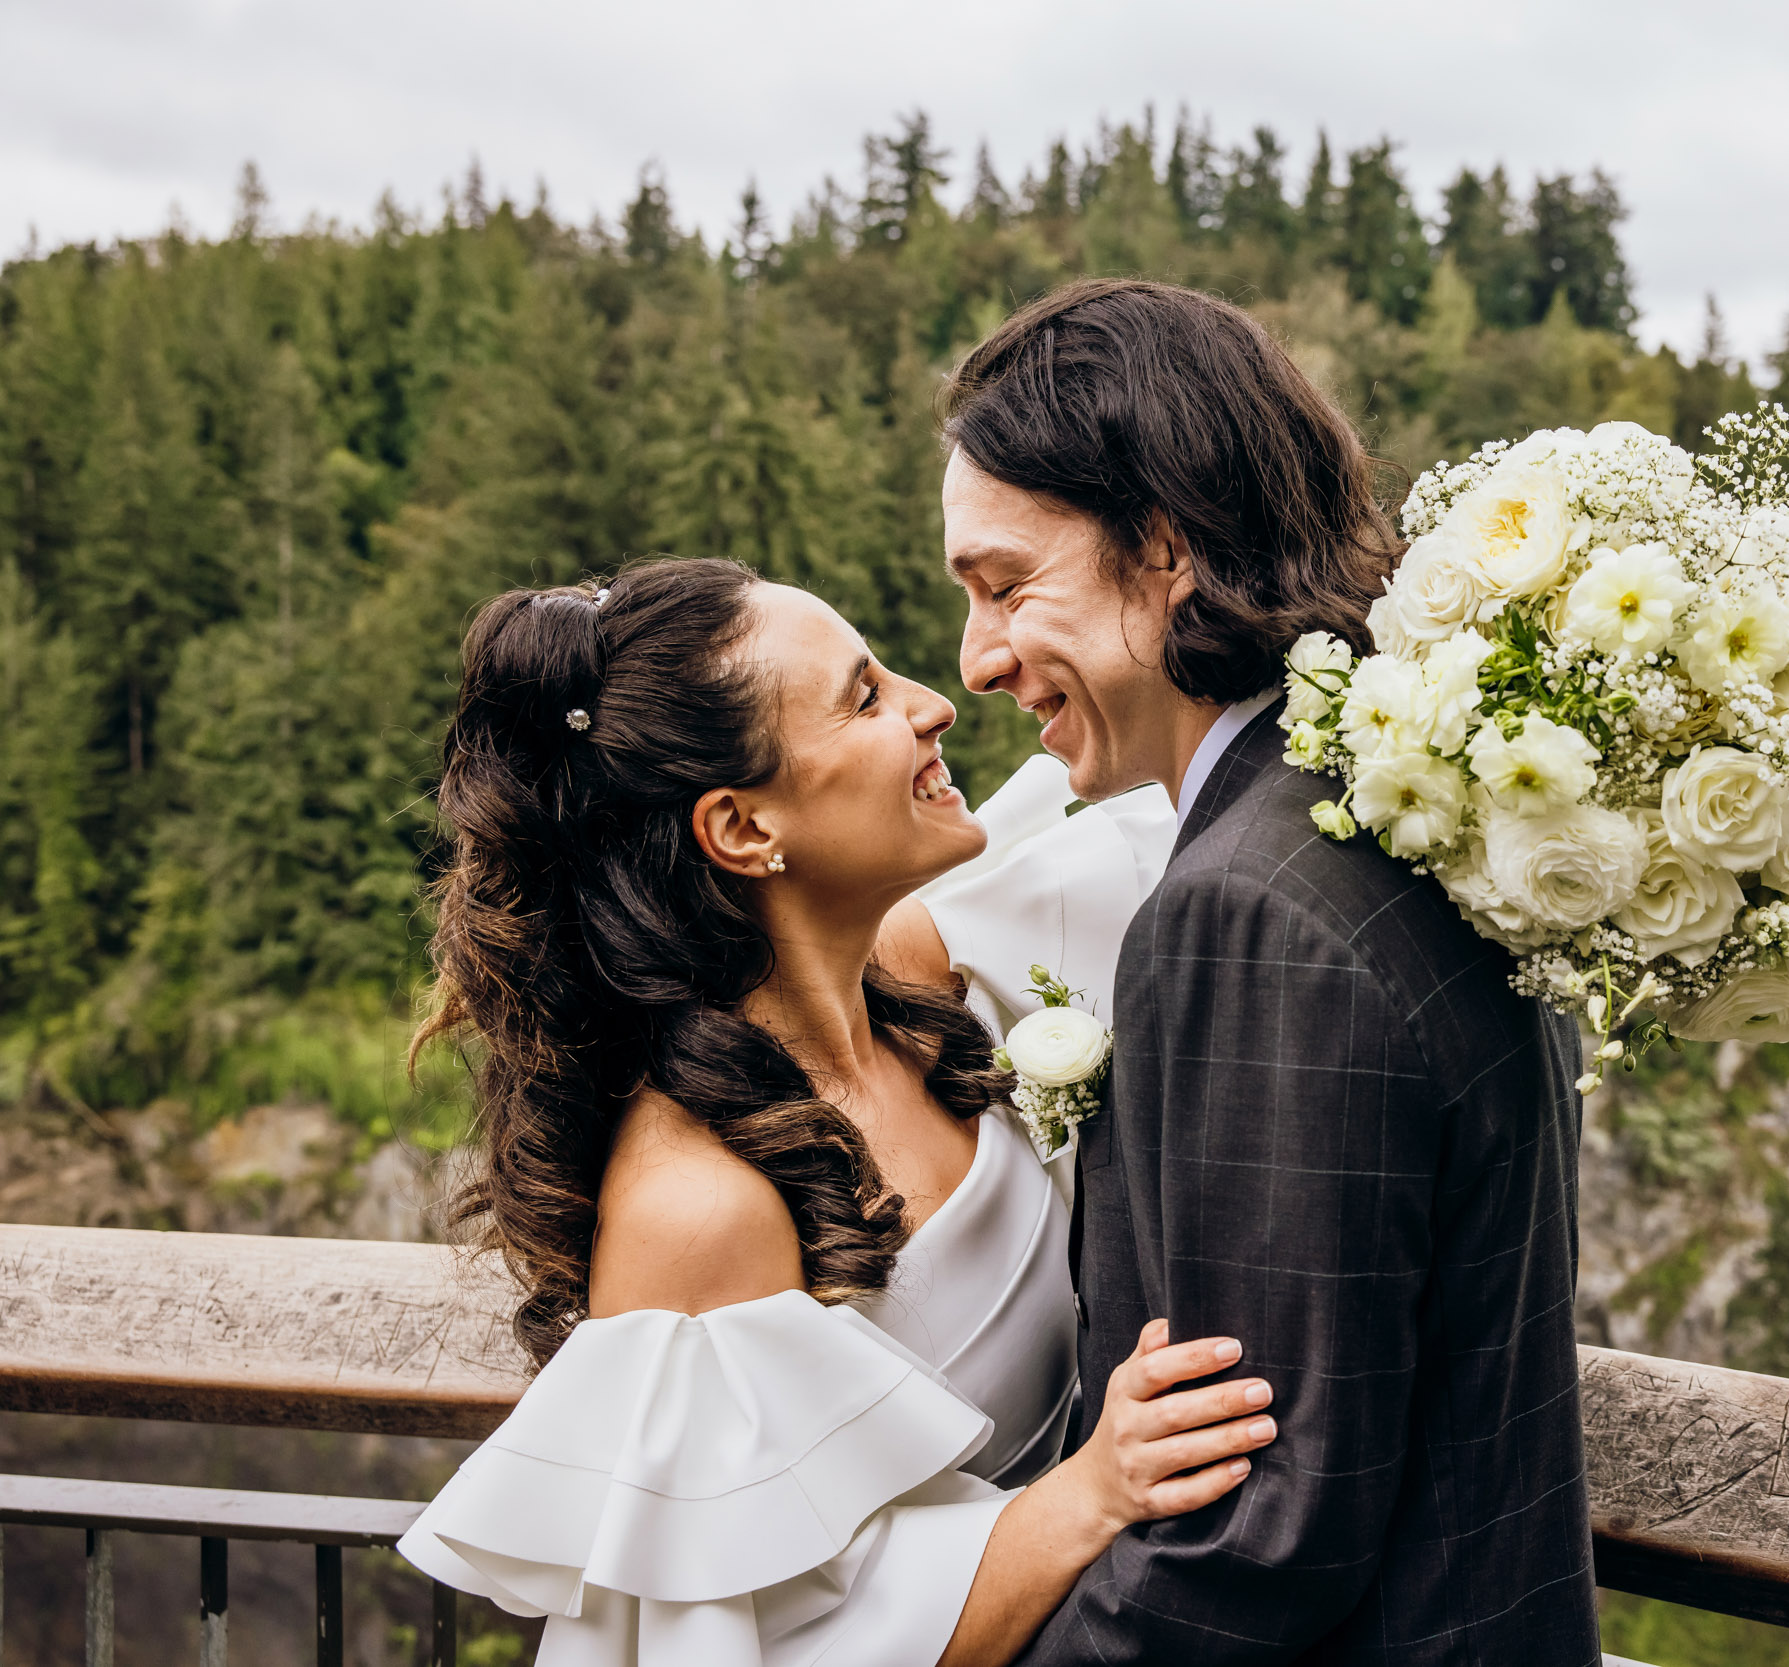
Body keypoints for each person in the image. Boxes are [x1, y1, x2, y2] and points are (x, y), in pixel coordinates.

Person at [395, 557, 1269, 1666]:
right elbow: (781, 1643)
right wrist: (1090, 1491)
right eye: (865, 696)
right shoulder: (699, 1208)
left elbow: (1160, 839)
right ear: (744, 827)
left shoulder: (926, 981)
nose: (934, 702)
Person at [941, 278, 1602, 1664]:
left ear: (1167, 550)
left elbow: (1252, 1533)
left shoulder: (1252, 904)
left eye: (1008, 586)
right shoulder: (1387, 813)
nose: (980, 656)